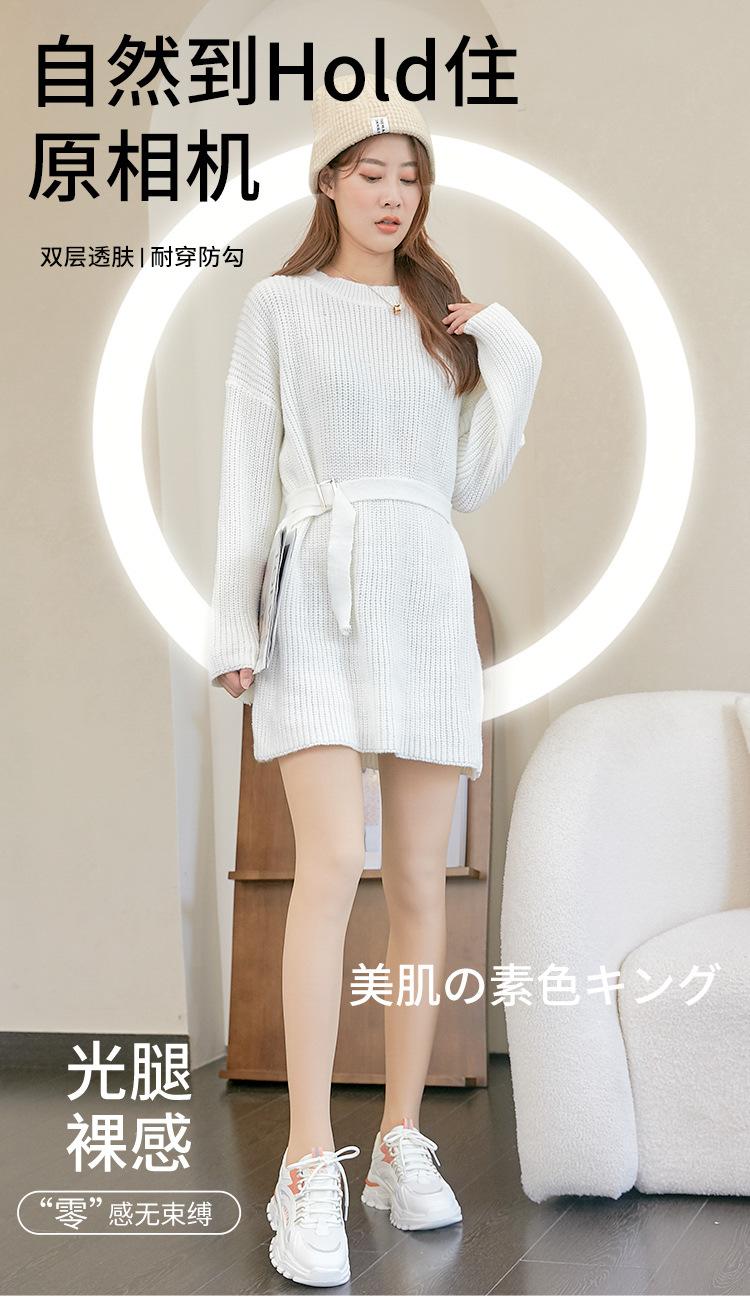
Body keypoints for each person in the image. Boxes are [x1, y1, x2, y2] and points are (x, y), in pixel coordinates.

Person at [209, 70, 542, 1288]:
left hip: (424, 591)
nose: (393, 195)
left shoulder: (439, 315)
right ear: (329, 183)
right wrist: (233, 621)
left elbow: (471, 481)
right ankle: (309, 1159)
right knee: (326, 869)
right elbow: (248, 470)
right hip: (317, 589)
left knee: (415, 879)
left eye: (410, 177)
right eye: (370, 172)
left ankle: (399, 1141)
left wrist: (507, 347)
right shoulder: (280, 306)